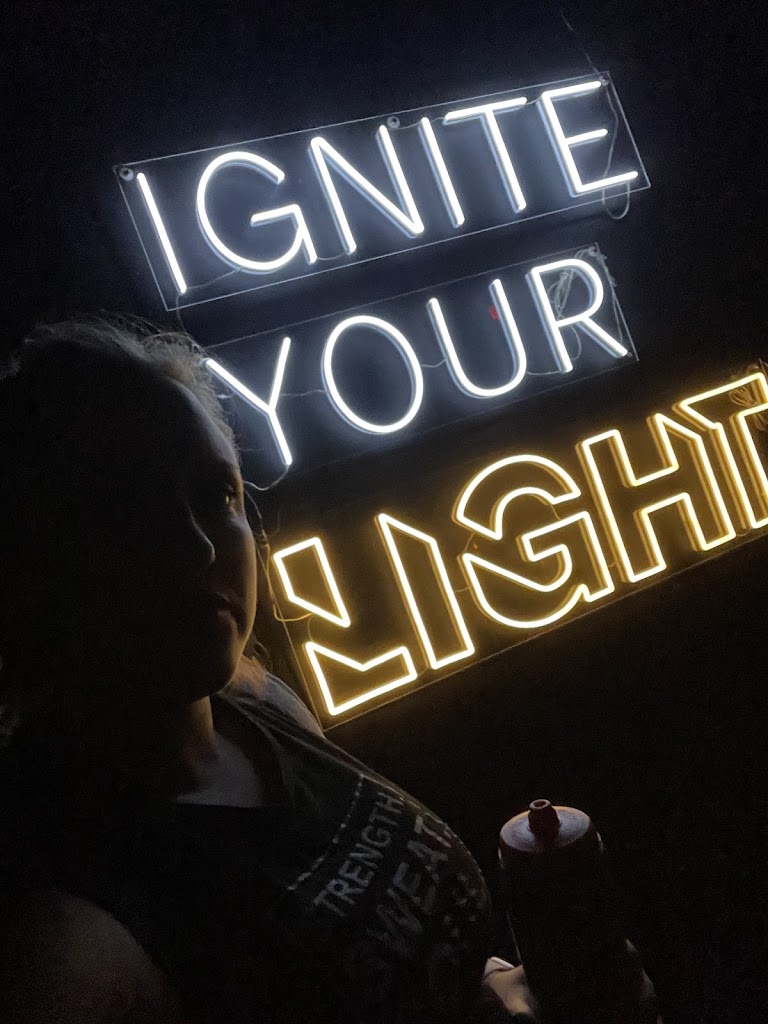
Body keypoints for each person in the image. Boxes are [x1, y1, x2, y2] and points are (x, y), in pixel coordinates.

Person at [0, 320, 652, 1023]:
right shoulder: (69, 941)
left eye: (217, 495)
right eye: (132, 513)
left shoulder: (262, 709)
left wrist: (491, 988)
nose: (198, 547)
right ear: (37, 559)